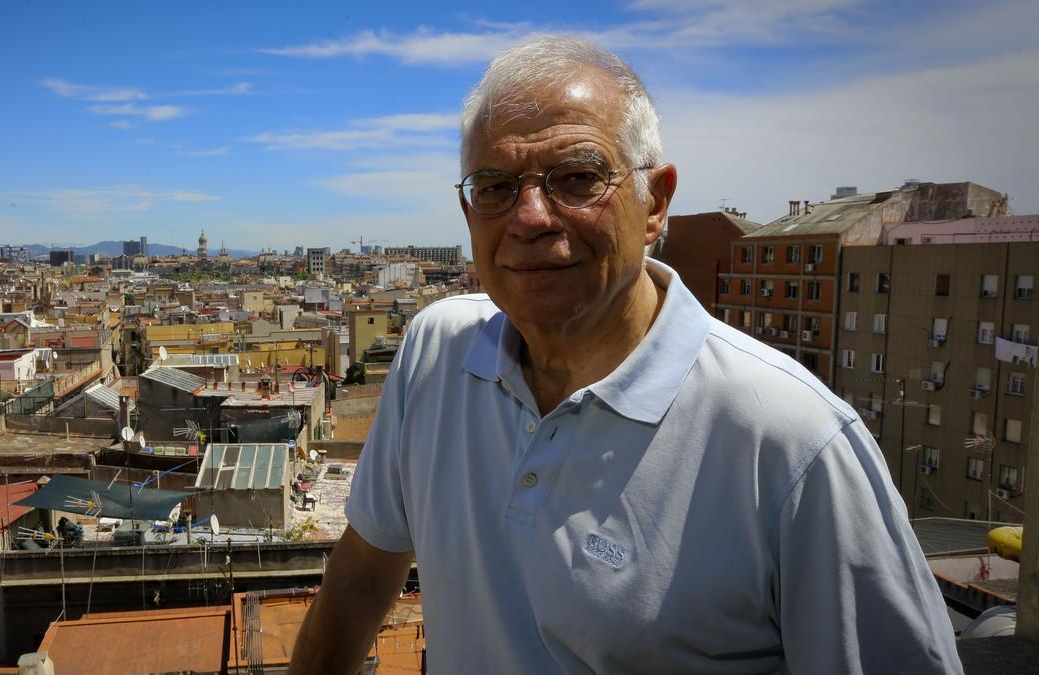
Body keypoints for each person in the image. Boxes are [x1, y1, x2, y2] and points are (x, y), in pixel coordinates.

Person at [289, 35, 962, 674]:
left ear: (656, 203)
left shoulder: (793, 445)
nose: (528, 217)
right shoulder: (435, 354)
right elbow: (357, 581)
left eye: (576, 177)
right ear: (469, 215)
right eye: (494, 187)